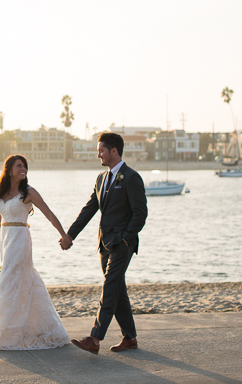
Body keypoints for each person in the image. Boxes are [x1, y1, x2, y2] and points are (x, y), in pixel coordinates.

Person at [61, 132, 148, 354]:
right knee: (117, 290)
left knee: (109, 287)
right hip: (104, 244)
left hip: (122, 244)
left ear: (113, 151)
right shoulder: (101, 178)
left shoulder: (131, 177)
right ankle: (130, 338)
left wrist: (126, 238)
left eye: (101, 150)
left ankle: (95, 339)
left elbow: (140, 213)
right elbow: (89, 209)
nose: (97, 153)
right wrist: (70, 235)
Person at [0, 154, 72, 350]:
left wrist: (64, 235)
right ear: (9, 169)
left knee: (9, 280)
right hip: (7, 240)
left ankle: (5, 331)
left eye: (25, 166)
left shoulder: (29, 192)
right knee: (22, 280)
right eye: (19, 166)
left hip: (20, 239)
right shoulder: (1, 193)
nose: (23, 169)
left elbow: (49, 213)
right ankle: (25, 327)